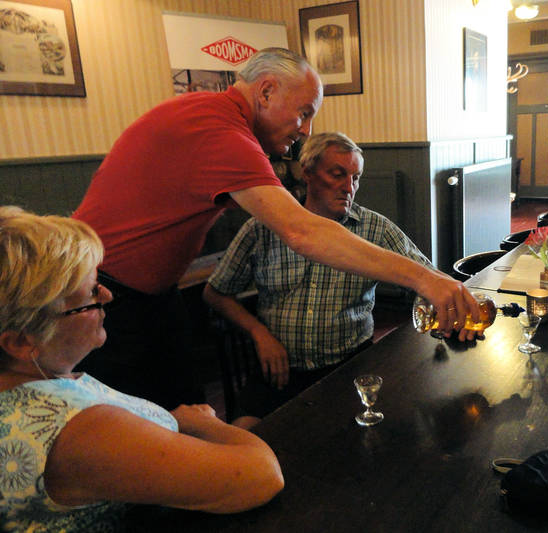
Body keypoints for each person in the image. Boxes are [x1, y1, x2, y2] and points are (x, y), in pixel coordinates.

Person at [72, 48, 478, 409]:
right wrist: (426, 279)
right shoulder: (223, 132)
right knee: (142, 430)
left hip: (150, 299)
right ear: (265, 92)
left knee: (183, 416)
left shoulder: (214, 119)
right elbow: (305, 232)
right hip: (104, 298)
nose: (306, 130)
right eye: (304, 112)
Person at [0, 207, 284, 532]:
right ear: (22, 342)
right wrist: (201, 423)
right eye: (91, 294)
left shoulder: (32, 382)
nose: (107, 296)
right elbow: (261, 475)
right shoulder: (76, 431)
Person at [204, 132, 470, 428]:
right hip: (277, 371)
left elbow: (429, 277)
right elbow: (216, 293)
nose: (349, 187)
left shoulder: (374, 229)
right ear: (307, 172)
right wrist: (259, 333)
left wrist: (451, 304)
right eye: (337, 174)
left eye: (356, 178)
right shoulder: (263, 227)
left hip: (350, 367)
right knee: (244, 446)